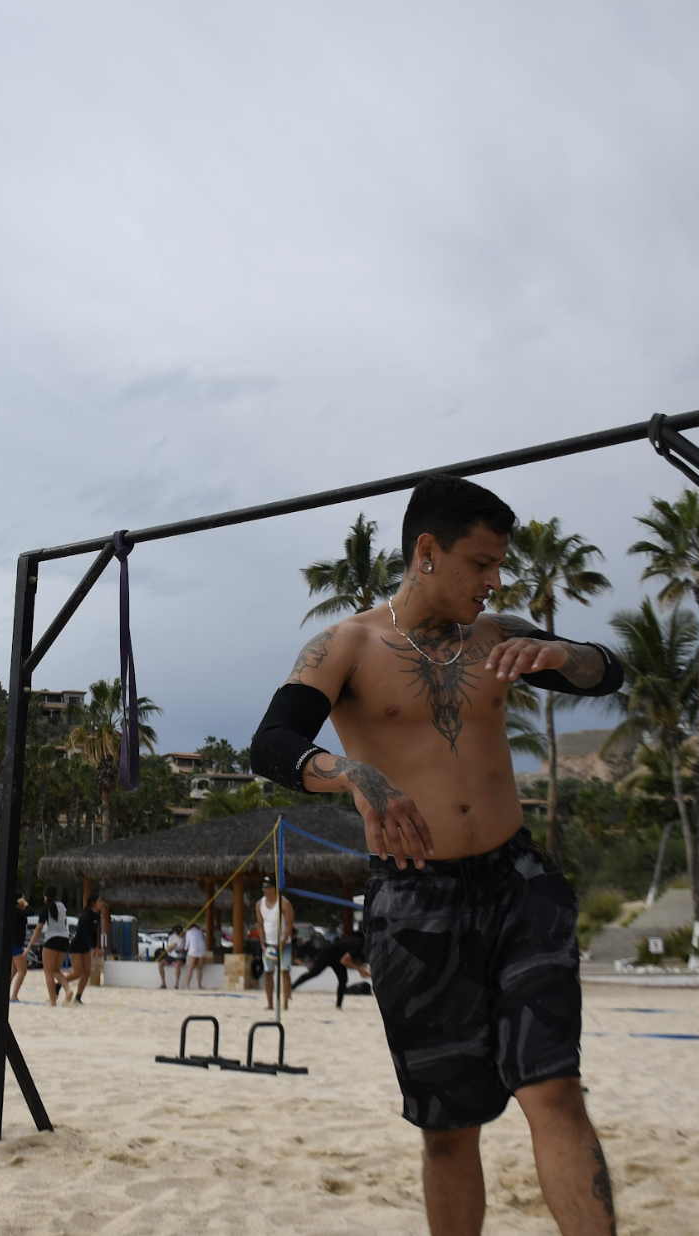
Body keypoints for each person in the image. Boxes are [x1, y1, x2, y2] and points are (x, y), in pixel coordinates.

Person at [250, 473, 625, 1236]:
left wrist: (564, 653)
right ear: (427, 551)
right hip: (415, 899)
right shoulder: (348, 644)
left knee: (555, 1091)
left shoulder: (498, 635)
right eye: (481, 563)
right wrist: (353, 774)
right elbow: (272, 743)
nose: (495, 582)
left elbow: (607, 671)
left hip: (518, 883)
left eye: (500, 566)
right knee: (449, 1128)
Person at [292, 924, 362, 1008]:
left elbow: (350, 959)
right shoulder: (359, 945)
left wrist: (360, 969)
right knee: (313, 973)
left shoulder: (358, 945)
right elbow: (346, 961)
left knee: (343, 980)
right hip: (328, 954)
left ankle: (339, 1005)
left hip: (338, 958)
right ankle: (292, 987)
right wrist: (360, 969)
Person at [27, 886, 73, 1006]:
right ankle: (68, 990)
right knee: (56, 970)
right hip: (64, 940)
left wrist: (29, 946)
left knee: (48, 972)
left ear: (45, 896)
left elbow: (39, 928)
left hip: (52, 939)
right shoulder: (62, 906)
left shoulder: (46, 907)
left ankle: (53, 1001)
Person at [255, 877, 295, 1011]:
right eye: (263, 887)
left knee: (284, 972)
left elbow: (289, 925)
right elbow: (260, 925)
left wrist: (283, 942)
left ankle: (285, 1004)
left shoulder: (284, 903)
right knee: (268, 973)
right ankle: (270, 1004)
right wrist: (262, 942)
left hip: (284, 943)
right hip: (268, 943)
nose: (264, 889)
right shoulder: (259, 904)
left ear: (274, 888)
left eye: (267, 887)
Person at [64, 891, 108, 1004]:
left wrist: (96, 947)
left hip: (86, 947)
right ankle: (60, 983)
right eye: (99, 901)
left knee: (87, 972)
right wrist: (94, 948)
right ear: (93, 903)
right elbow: (86, 934)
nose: (101, 903)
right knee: (77, 973)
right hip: (76, 946)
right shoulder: (86, 915)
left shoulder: (96, 915)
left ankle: (78, 997)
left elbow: (95, 934)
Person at [7, 894, 32, 1001]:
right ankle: (14, 995)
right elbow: (31, 912)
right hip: (16, 944)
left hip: (14, 943)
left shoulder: (14, 912)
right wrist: (25, 903)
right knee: (22, 971)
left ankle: (4, 992)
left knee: (13, 971)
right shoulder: (17, 912)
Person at [181, 921, 208, 989]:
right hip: (202, 949)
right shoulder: (200, 932)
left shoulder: (189, 932)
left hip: (193, 949)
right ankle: (199, 985)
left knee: (190, 968)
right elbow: (204, 941)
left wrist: (184, 949)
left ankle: (188, 986)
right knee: (199, 968)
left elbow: (187, 944)